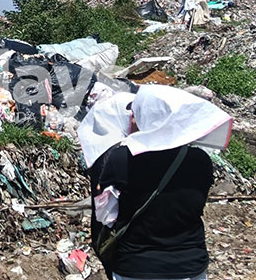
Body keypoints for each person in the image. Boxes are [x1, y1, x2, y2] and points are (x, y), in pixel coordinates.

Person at [84, 90, 215, 280]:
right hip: (190, 263)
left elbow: (105, 214)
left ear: (149, 118)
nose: (133, 121)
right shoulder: (200, 159)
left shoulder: (122, 158)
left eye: (136, 115)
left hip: (137, 264)